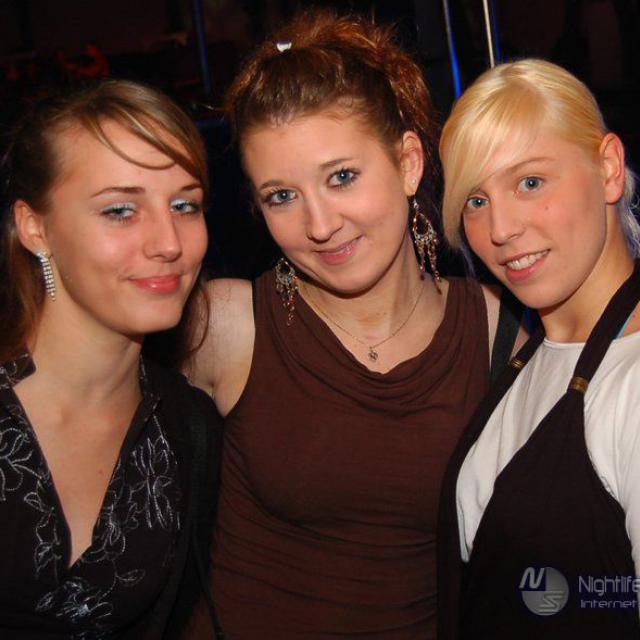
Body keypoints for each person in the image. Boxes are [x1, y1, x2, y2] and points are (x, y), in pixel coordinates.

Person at [187, 9, 507, 639]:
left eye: (341, 177)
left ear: (408, 162)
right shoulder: (228, 324)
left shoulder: (498, 330)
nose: (320, 224)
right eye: (282, 196)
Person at [0, 80, 221, 638]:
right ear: (35, 228)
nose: (168, 242)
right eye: (121, 210)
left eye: (185, 205)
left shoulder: (187, 429)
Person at [438, 58, 640, 639]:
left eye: (530, 182)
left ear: (608, 168)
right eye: (476, 200)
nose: (500, 229)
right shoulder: (532, 355)